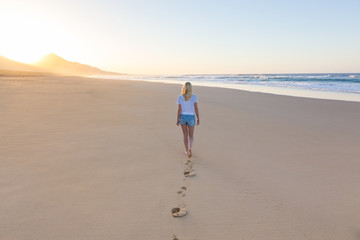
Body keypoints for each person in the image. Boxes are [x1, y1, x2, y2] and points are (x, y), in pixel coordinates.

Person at [176, 82, 200, 158]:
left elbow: (179, 109)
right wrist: (198, 118)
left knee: (185, 135)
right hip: (191, 117)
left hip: (183, 117)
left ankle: (186, 150)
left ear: (184, 88)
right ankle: (190, 148)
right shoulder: (194, 97)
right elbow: (196, 108)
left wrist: (177, 119)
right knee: (191, 135)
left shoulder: (180, 97)